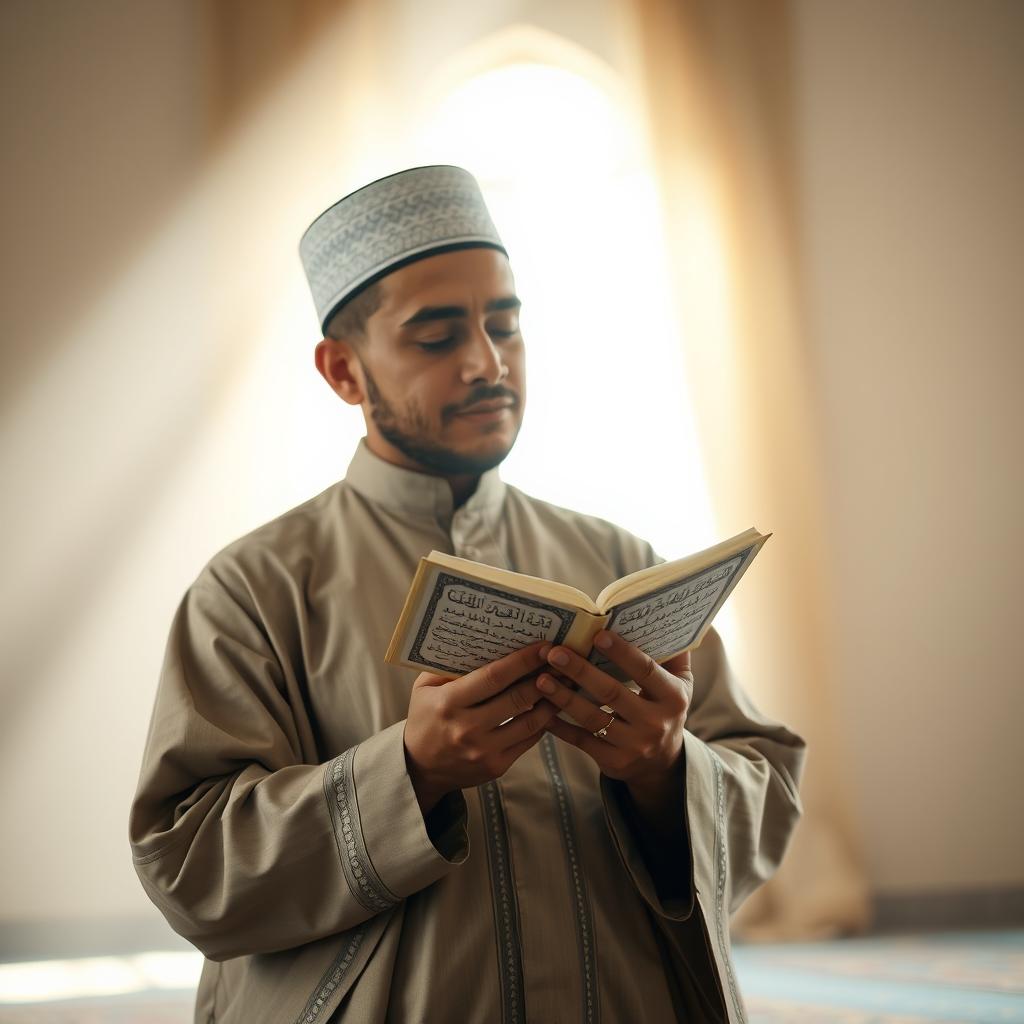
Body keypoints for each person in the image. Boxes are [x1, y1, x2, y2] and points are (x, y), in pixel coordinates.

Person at [129, 165, 805, 1024]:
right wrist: (409, 773)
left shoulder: (614, 557)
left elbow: (765, 790)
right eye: (437, 336)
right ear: (344, 370)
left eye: (506, 326)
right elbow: (188, 864)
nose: (488, 363)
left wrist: (663, 769)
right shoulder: (256, 588)